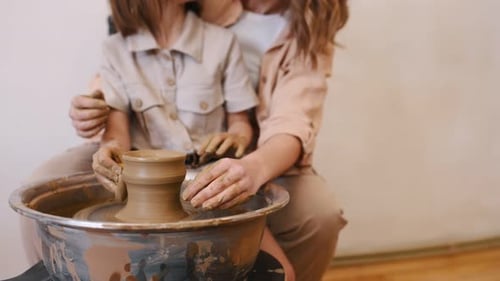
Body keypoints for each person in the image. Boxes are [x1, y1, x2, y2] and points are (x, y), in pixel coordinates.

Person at [39, 0, 350, 280]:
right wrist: (95, 112)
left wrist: (246, 157)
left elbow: (287, 124)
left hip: (225, 168)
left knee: (288, 264)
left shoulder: (233, 41)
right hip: (143, 169)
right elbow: (115, 115)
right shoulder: (126, 45)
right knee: (48, 189)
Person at [92, 0, 258, 200]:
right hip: (147, 188)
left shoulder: (223, 42)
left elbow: (240, 123)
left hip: (208, 184)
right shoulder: (114, 50)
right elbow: (117, 135)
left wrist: (237, 137)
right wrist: (110, 152)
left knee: (258, 231)